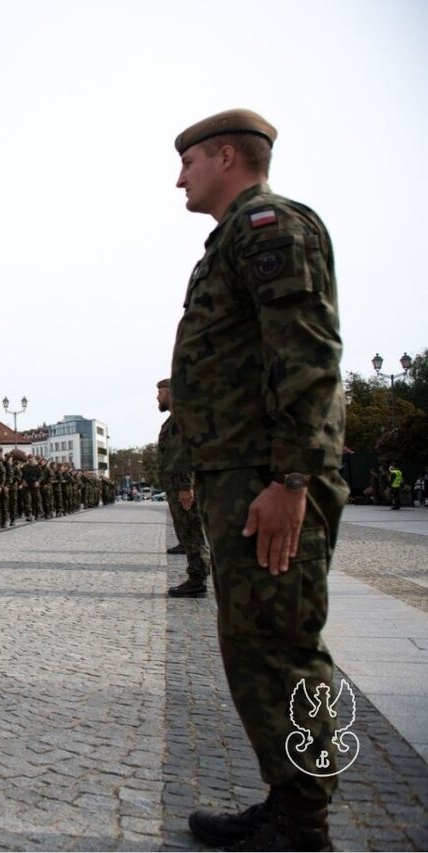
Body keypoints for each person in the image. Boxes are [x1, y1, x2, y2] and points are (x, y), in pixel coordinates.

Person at [170, 109, 346, 851]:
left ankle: (306, 822)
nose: (179, 176)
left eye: (188, 162)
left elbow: (306, 354)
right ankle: (290, 801)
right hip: (241, 476)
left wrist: (292, 478)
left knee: (286, 644)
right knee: (257, 644)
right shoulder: (231, 241)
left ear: (227, 156)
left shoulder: (269, 227)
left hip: (268, 480)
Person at [157, 378, 211, 597]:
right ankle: (196, 576)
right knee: (187, 531)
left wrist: (186, 486)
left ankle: (198, 579)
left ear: (172, 392)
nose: (158, 397)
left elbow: (185, 454)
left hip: (183, 487)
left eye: (161, 392)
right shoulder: (175, 419)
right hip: (177, 486)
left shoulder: (181, 419)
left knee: (192, 532)